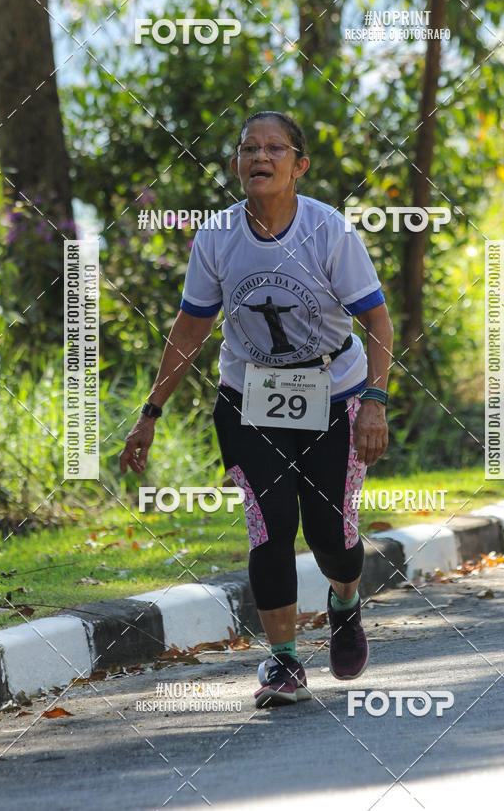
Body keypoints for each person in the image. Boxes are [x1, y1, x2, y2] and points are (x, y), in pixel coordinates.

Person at [119, 111, 393, 709]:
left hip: (335, 394)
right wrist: (150, 412)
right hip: (250, 398)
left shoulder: (328, 231)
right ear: (236, 163)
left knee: (331, 533)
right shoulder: (217, 236)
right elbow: (190, 328)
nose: (260, 157)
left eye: (274, 148)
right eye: (249, 148)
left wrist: (375, 402)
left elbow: (377, 320)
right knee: (269, 527)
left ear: (300, 165)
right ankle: (285, 660)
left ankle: (345, 603)